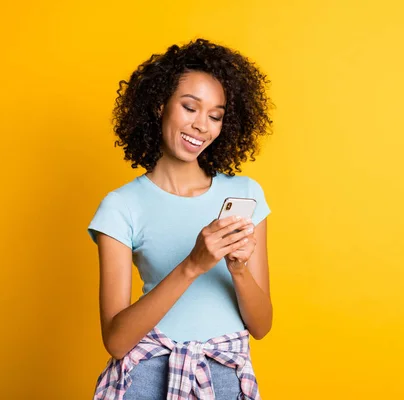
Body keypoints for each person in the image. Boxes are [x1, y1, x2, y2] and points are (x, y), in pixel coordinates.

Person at [87, 38, 273, 400]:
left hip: (226, 376)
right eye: (190, 108)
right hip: (148, 378)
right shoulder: (121, 206)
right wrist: (193, 264)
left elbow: (262, 326)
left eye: (215, 116)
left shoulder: (247, 194)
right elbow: (116, 340)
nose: (202, 125)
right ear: (160, 106)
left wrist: (237, 268)